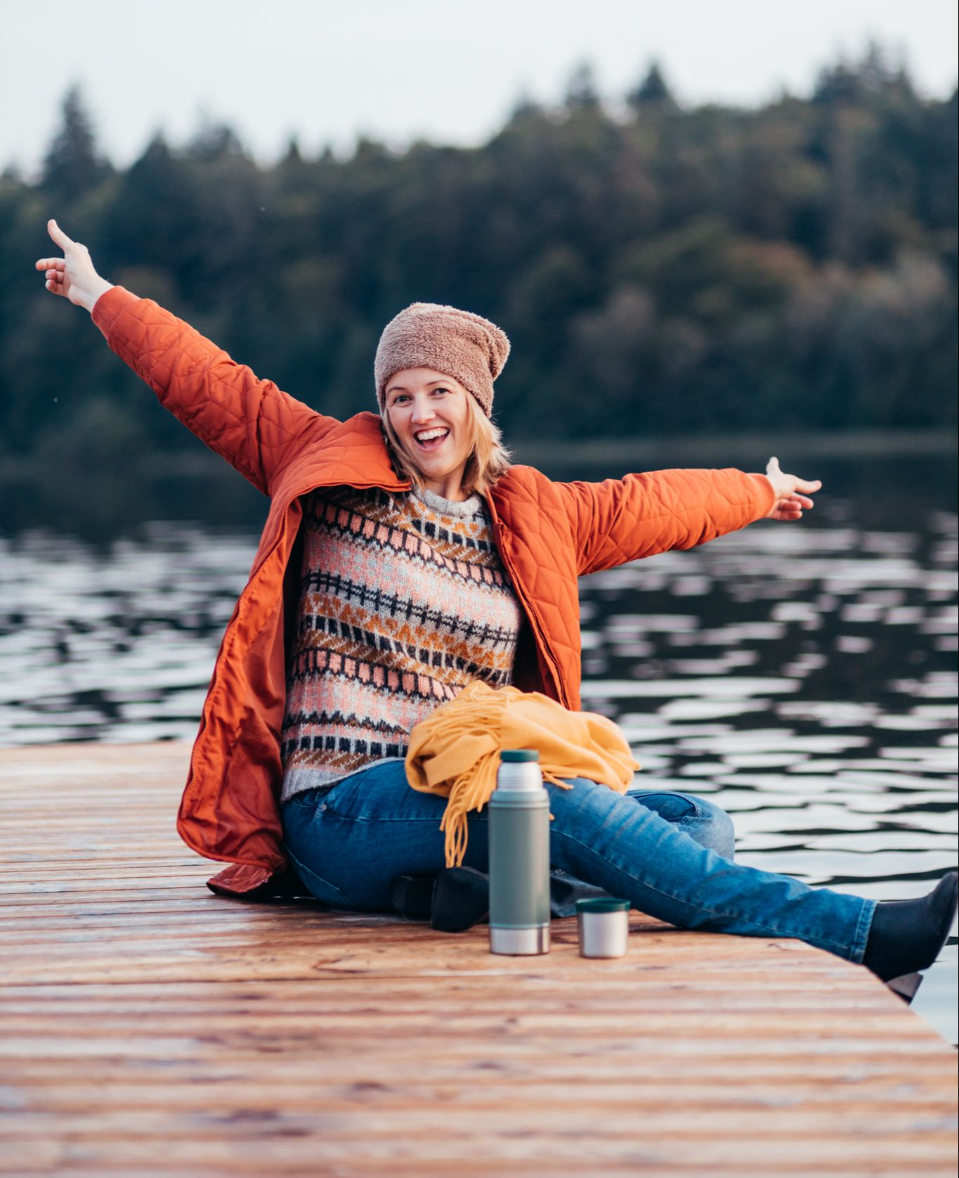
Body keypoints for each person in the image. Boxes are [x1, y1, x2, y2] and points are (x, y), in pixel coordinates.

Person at [36, 218, 957, 982]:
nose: (418, 414)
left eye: (438, 391)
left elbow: (648, 505)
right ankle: (854, 931)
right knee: (557, 804)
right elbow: (210, 384)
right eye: (400, 396)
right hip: (343, 808)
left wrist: (756, 490)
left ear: (474, 404)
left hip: (470, 795)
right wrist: (99, 294)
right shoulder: (320, 464)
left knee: (694, 821)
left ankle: (457, 893)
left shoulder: (529, 515)